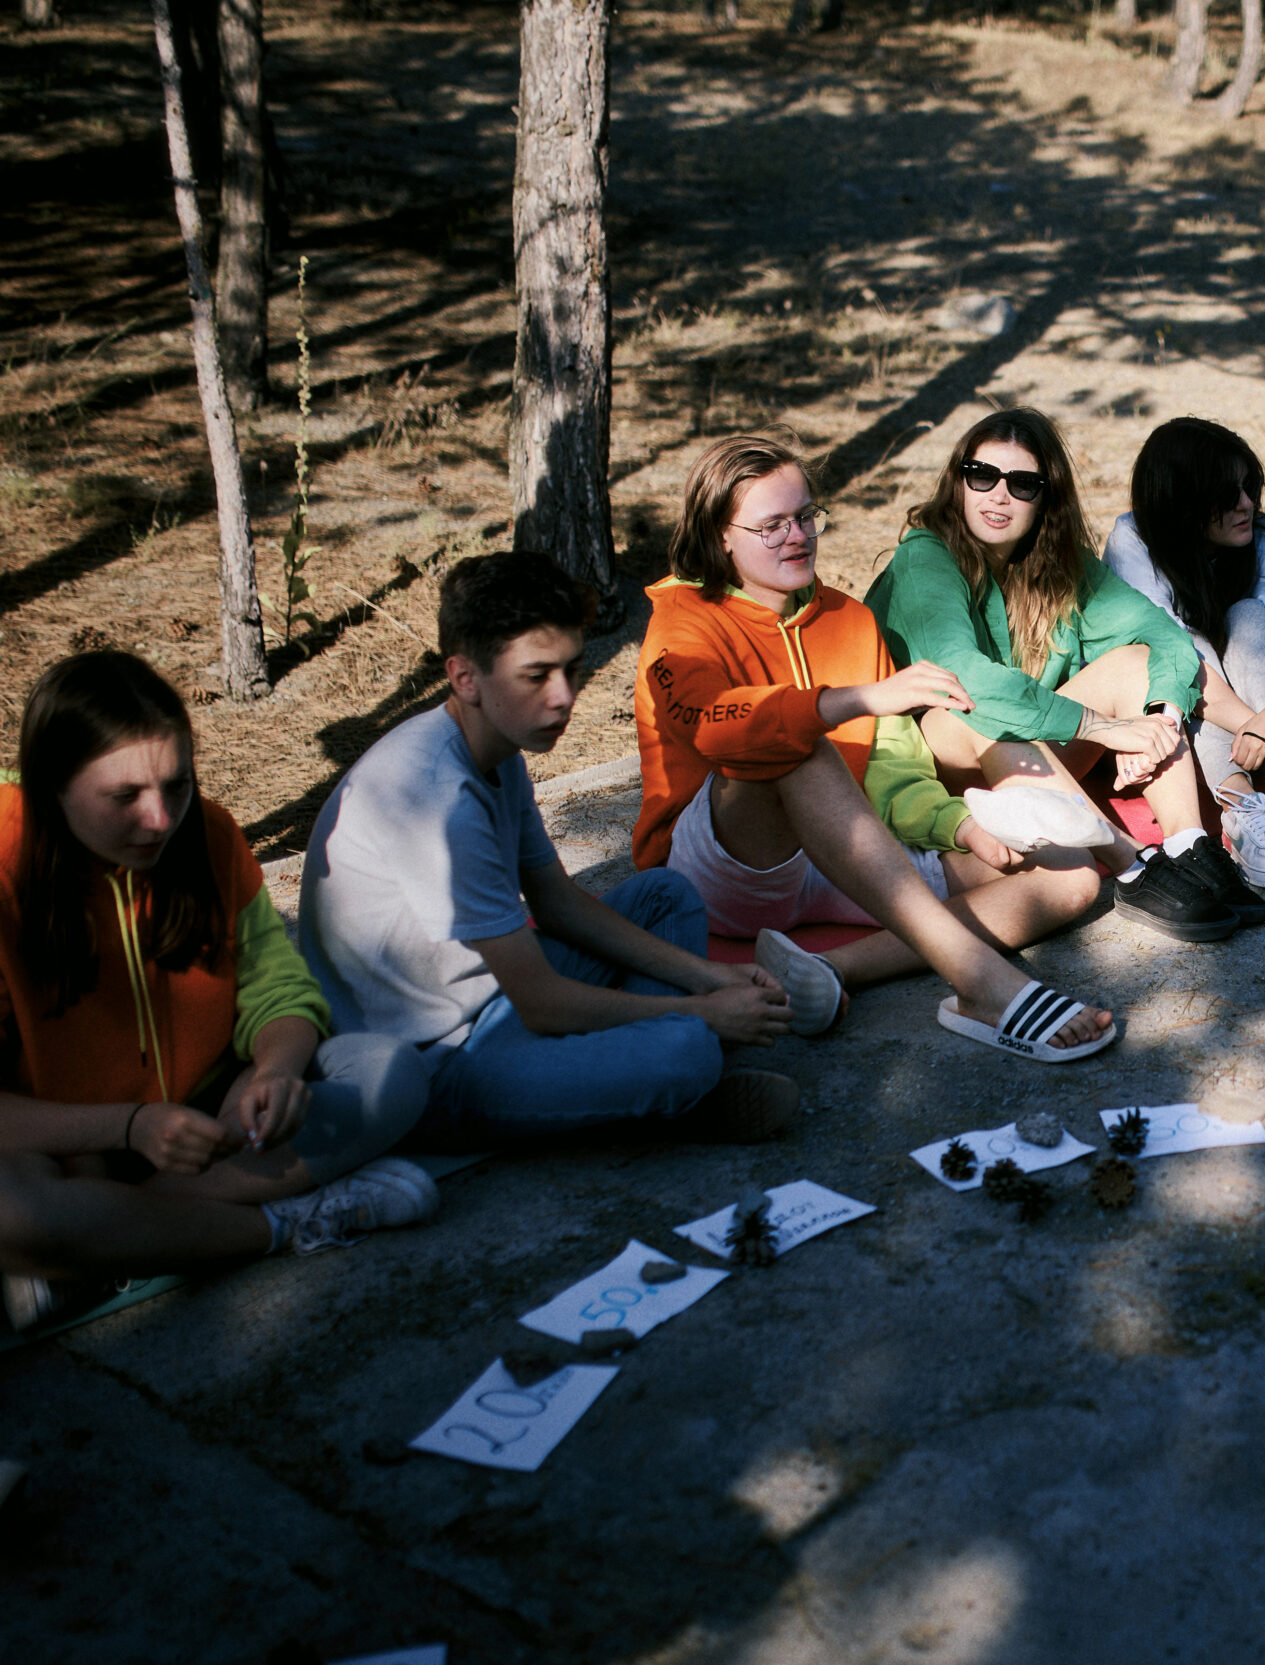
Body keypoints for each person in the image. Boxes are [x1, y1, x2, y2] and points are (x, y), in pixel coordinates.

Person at [635, 434, 1117, 1061]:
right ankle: (982, 984)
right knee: (793, 742)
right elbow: (714, 728)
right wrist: (854, 700)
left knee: (1070, 876)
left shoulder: (848, 618)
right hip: (727, 864)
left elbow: (893, 762)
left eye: (806, 515)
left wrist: (960, 826)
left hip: (844, 851)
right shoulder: (682, 618)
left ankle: (829, 969)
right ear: (719, 534)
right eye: (771, 524)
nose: (798, 535)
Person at [301, 552, 806, 1146]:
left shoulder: (495, 747)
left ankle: (627, 1085)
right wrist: (699, 1012)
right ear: (465, 677)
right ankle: (658, 1093)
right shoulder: (438, 793)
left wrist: (710, 976)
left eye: (570, 669)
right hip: (436, 1057)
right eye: (536, 676)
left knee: (666, 896)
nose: (564, 696)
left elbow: (557, 902)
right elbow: (540, 1002)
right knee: (688, 1050)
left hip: (490, 998)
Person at [0, 652, 437, 1333]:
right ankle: (280, 1226)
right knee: (12, 1208)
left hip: (213, 1130)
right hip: (61, 1145)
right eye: (124, 797)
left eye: (176, 786)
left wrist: (275, 1071)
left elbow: (277, 984)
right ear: (52, 784)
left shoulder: (207, 834)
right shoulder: (5, 864)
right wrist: (127, 1128)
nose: (159, 819)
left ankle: (110, 1237)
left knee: (392, 1074)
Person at [866, 407, 1264, 942]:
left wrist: (1155, 723)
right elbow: (968, 682)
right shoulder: (927, 559)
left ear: (1046, 496)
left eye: (1022, 483)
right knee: (974, 709)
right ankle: (1130, 869)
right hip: (938, 767)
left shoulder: (1059, 562)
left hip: (1033, 759)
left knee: (1135, 663)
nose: (998, 496)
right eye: (981, 476)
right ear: (958, 481)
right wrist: (1103, 728)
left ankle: (1187, 848)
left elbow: (1162, 635)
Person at [1103, 416, 1265, 889]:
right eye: (1228, 496)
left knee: (1247, 615)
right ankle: (1240, 804)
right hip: (1172, 696)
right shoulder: (1134, 540)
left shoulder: (1261, 540)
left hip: (1253, 699)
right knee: (1185, 644)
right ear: (1183, 503)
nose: (1247, 505)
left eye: (1249, 488)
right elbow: (1180, 664)